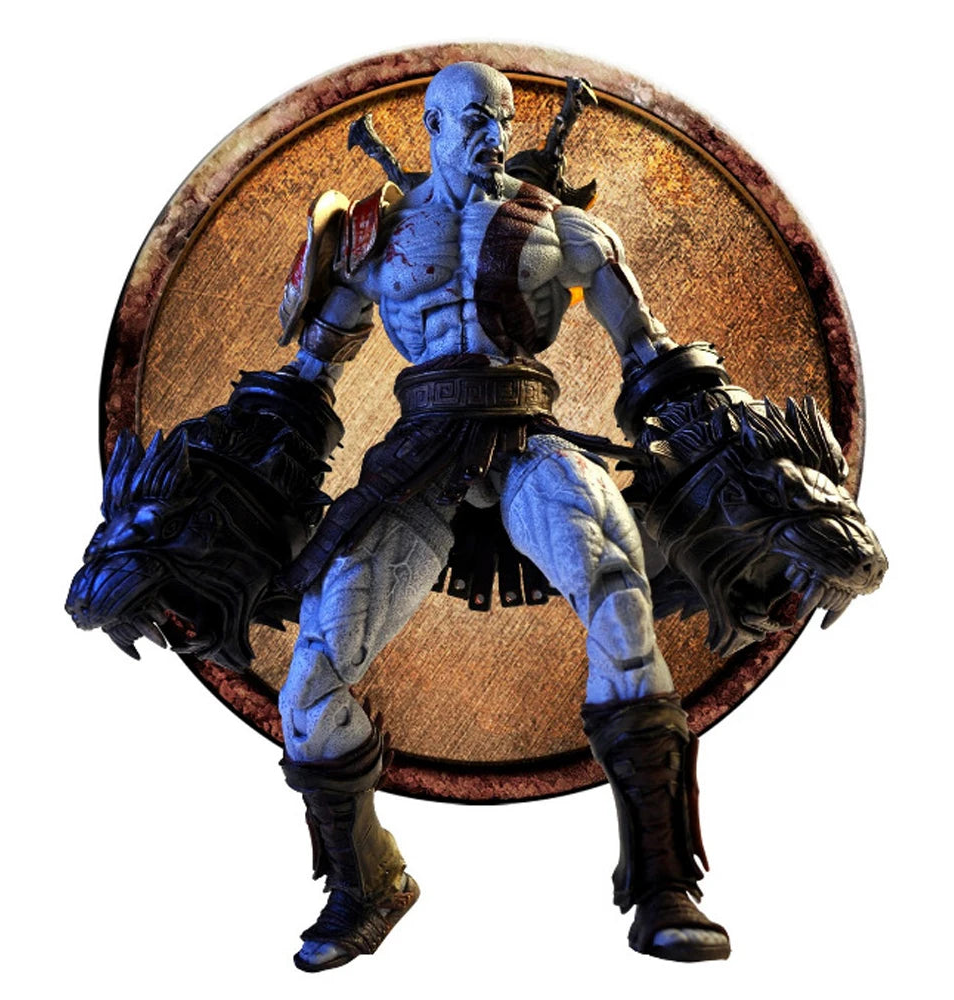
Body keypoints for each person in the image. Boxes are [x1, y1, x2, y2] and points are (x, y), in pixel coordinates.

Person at [275, 61, 730, 971]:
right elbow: (309, 374)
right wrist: (249, 456)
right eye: (473, 118)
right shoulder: (373, 237)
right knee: (309, 684)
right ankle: (367, 884)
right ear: (433, 126)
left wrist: (717, 433)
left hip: (526, 438)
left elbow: (646, 352)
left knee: (619, 595)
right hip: (418, 458)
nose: (492, 133)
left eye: (503, 117)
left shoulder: (562, 230)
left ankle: (662, 885)